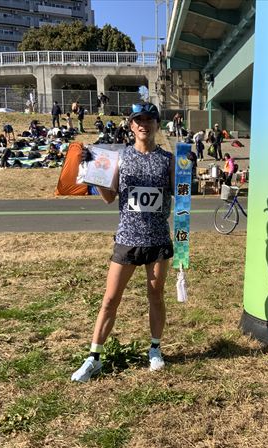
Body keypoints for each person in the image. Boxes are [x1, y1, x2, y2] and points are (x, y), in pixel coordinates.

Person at [71, 102, 174, 382]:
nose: (144, 124)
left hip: (157, 239)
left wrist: (186, 167)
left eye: (149, 119)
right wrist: (92, 171)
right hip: (127, 238)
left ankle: (155, 349)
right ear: (131, 126)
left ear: (157, 125)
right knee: (110, 299)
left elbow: (182, 191)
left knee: (156, 296)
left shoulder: (168, 159)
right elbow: (108, 197)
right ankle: (94, 357)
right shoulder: (120, 157)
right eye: (138, 120)